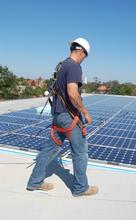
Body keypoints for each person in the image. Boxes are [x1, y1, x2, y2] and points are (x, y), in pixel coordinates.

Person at [26, 37, 99, 196]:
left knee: (48, 150)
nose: (84, 59)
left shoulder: (62, 65)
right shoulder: (74, 67)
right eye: (85, 56)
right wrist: (85, 112)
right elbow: (73, 94)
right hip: (69, 117)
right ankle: (81, 188)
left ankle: (34, 182)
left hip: (58, 116)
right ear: (81, 52)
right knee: (80, 152)